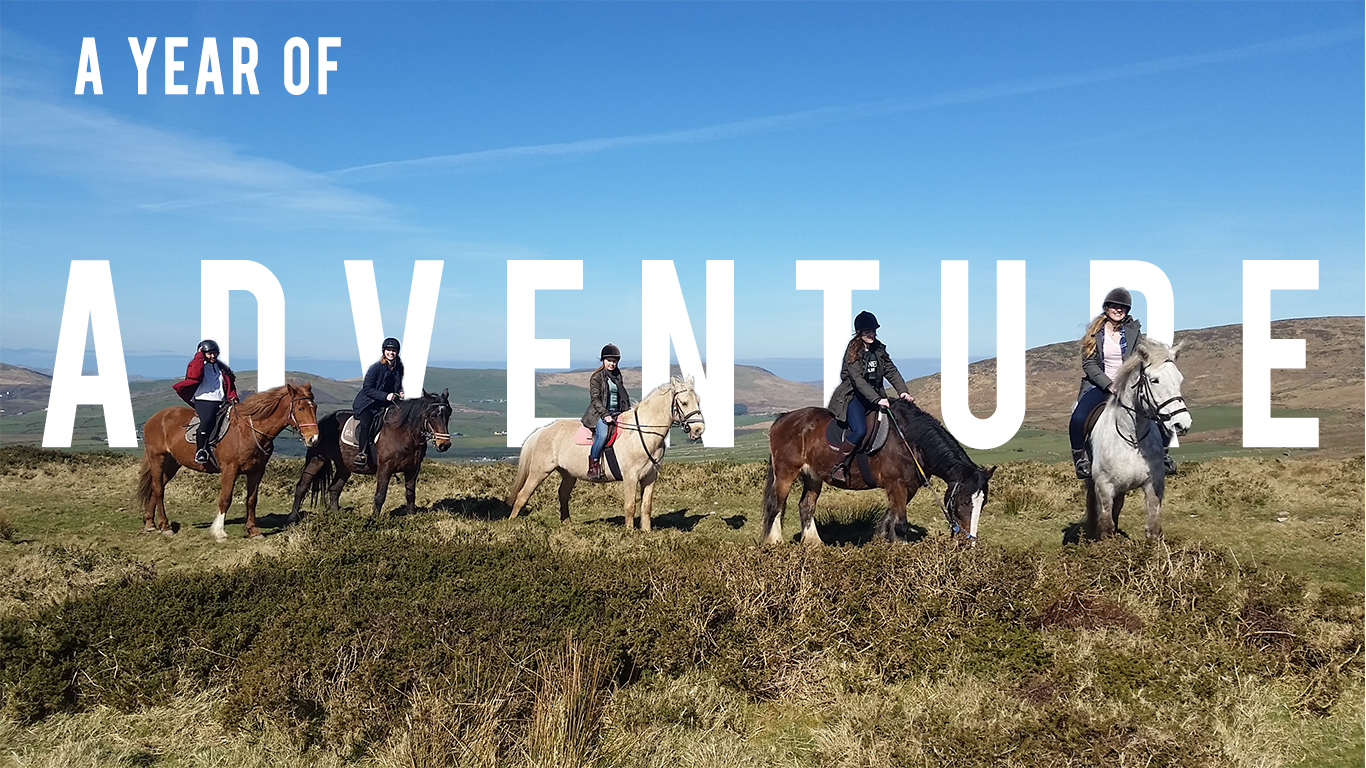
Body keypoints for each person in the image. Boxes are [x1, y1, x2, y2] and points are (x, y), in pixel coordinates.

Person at [1069, 287, 1176, 479]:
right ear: (1107, 308)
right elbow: (1089, 364)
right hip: (1100, 385)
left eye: (1123, 307)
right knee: (1078, 418)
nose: (1118, 310)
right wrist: (1109, 385)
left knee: (1163, 412)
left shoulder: (1134, 332)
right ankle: (1080, 460)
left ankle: (1163, 455)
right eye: (1114, 306)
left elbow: (1141, 357)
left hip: (1129, 386)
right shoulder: (1094, 333)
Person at [826, 311, 915, 483]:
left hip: (875, 395)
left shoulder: (879, 349)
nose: (871, 334)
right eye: (868, 331)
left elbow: (891, 371)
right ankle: (838, 466)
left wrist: (903, 391)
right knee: (859, 430)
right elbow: (858, 381)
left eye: (873, 331)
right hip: (854, 396)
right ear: (859, 333)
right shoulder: (852, 351)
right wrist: (877, 400)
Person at [172, 339, 239, 466]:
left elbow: (230, 386)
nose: (213, 356)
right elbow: (194, 375)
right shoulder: (198, 366)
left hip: (222, 401)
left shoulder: (222, 369)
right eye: (209, 353)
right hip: (204, 400)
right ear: (203, 354)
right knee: (207, 420)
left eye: (215, 353)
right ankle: (200, 450)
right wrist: (199, 356)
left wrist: (233, 397)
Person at [352, 337, 405, 467]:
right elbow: (367, 388)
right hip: (368, 403)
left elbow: (397, 386)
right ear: (384, 351)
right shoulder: (375, 368)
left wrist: (400, 392)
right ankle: (362, 453)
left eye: (394, 350)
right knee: (366, 423)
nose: (391, 353)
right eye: (388, 350)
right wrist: (385, 396)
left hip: (387, 403)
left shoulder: (399, 368)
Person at [581, 344, 632, 480]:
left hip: (617, 412)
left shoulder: (617, 376)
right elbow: (595, 399)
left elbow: (621, 396)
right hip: (600, 413)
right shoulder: (596, 377)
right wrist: (605, 415)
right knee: (602, 435)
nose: (612, 363)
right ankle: (593, 465)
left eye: (614, 361)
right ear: (603, 360)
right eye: (609, 360)